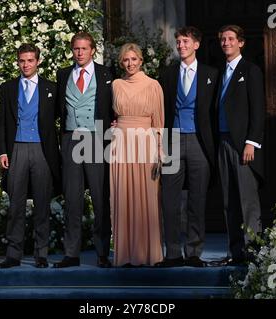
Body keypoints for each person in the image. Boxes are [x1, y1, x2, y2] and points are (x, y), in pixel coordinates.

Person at [156, 26, 219, 267]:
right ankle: (172, 253)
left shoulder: (211, 74)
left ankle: (193, 252)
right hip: (172, 141)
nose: (181, 46)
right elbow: (159, 109)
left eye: (185, 41)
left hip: (199, 143)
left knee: (197, 199)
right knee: (170, 200)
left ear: (197, 45)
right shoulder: (167, 74)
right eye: (179, 42)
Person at [0, 43, 61, 269]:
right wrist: (3, 151)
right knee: (16, 205)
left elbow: (65, 117)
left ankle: (40, 254)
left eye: (30, 60)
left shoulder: (51, 88)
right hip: (16, 150)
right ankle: (13, 254)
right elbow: (2, 123)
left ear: (38, 62)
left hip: (43, 150)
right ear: (18, 62)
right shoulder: (8, 88)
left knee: (42, 203)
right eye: (22, 61)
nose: (26, 64)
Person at [53, 32, 113, 268]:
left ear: (92, 50)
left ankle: (102, 253)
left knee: (100, 198)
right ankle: (71, 253)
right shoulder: (63, 74)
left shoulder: (106, 74)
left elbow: (114, 104)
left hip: (96, 138)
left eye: (84, 49)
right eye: (76, 49)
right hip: (70, 139)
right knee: (73, 199)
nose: (79, 53)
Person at [110, 43, 164, 267]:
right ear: (121, 63)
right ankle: (125, 255)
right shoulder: (115, 85)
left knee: (147, 198)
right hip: (120, 144)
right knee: (122, 197)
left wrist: (160, 150)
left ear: (141, 60)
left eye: (133, 59)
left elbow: (159, 121)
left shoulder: (154, 86)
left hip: (146, 143)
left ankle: (148, 253)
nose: (130, 64)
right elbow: (112, 114)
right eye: (125, 60)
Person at [216, 25, 265, 265]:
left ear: (241, 42)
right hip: (223, 141)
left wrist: (251, 143)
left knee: (248, 200)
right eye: (223, 39)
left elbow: (258, 110)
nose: (226, 42)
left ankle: (253, 252)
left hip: (243, 145)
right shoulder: (220, 72)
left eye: (231, 39)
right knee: (229, 201)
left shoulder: (251, 70)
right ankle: (235, 252)